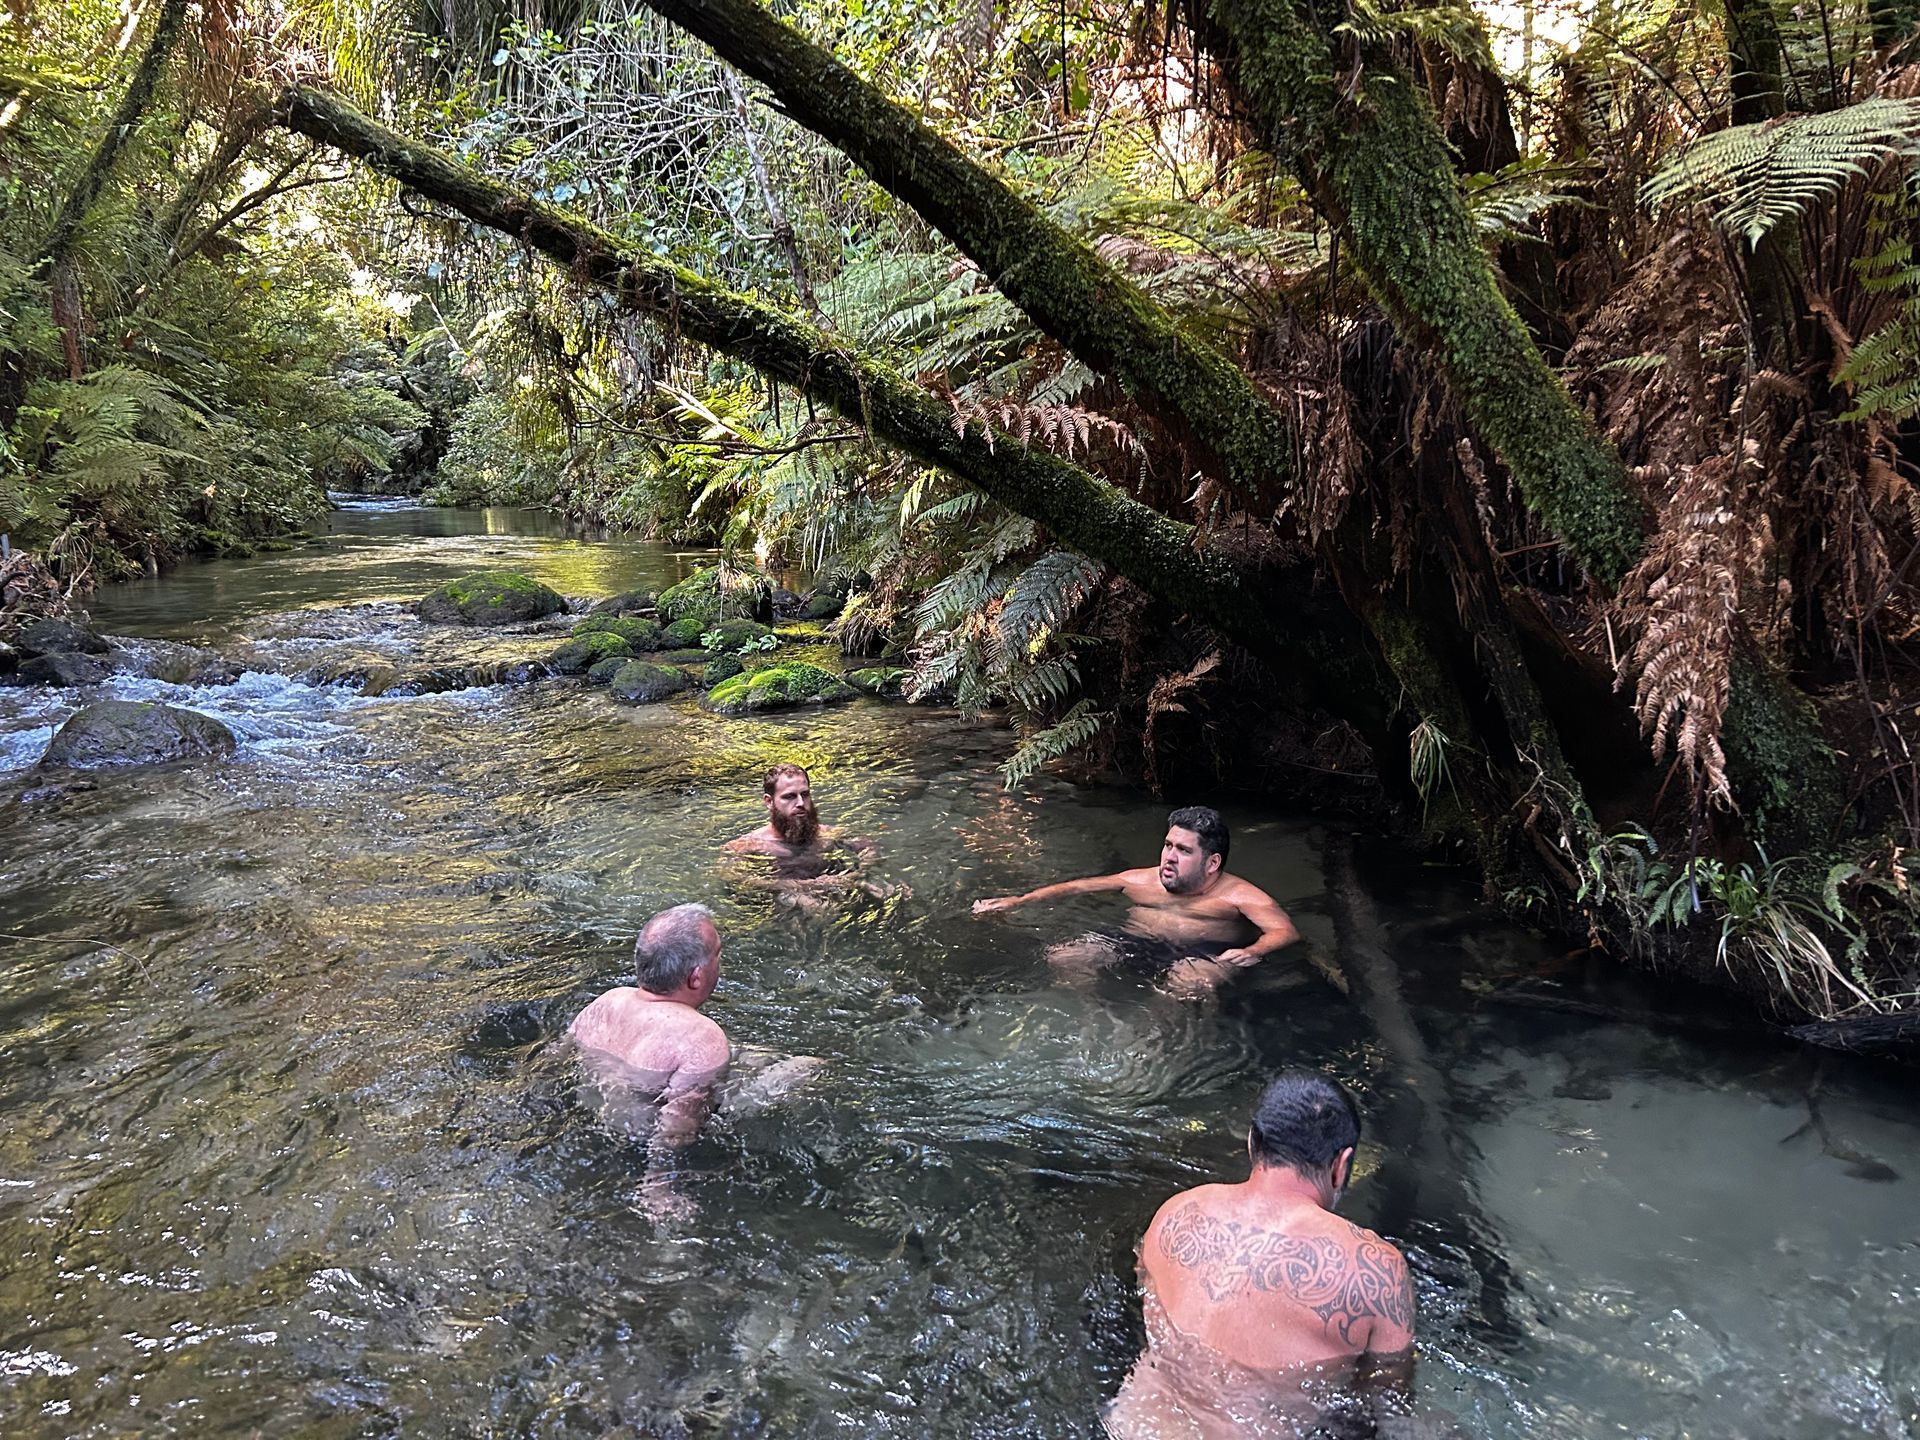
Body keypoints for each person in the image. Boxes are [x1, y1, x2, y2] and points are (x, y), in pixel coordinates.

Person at [1109, 1071, 1416, 1437]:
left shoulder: (1176, 1212)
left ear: (1253, 1143)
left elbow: (1147, 1300)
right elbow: (1389, 1405)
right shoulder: (1377, 1268)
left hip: (1130, 1424)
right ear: (1342, 1165)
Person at [970, 806, 1297, 994]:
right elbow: (1078, 887)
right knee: (1066, 956)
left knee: (1190, 983)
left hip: (1200, 954)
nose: (1169, 857)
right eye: (1168, 845)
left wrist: (1252, 951)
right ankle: (1091, 1019)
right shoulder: (1141, 880)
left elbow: (1284, 931)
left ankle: (1158, 1042)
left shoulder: (1239, 896)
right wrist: (1018, 901)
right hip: (1135, 941)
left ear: (1212, 863)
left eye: (1183, 851)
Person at [724, 762, 890, 912]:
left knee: (892, 893)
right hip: (788, 906)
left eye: (805, 794)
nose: (800, 803)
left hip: (837, 889)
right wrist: (799, 886)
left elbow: (870, 847)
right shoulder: (749, 845)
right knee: (805, 905)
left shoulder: (828, 835)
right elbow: (730, 876)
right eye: (789, 796)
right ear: (769, 802)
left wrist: (857, 875)